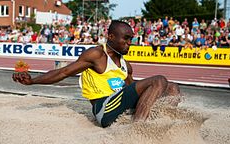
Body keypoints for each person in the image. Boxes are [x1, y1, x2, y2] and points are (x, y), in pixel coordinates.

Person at [12, 20, 180, 128]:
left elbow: (133, 91)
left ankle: (158, 120)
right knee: (159, 80)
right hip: (104, 109)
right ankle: (138, 131)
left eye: (131, 39)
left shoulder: (125, 65)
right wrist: (32, 81)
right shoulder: (96, 55)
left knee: (172, 88)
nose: (130, 43)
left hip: (120, 106)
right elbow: (63, 72)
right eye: (126, 39)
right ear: (111, 37)